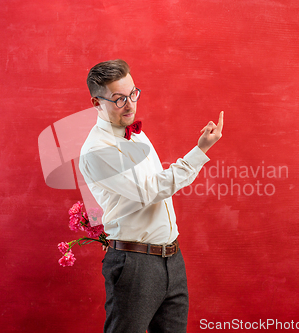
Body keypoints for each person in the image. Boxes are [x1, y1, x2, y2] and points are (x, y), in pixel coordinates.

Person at [79, 59, 223, 333]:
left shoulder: (137, 135)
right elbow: (150, 190)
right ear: (96, 103)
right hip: (135, 264)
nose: (131, 105)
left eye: (133, 93)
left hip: (172, 258)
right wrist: (199, 151)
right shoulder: (97, 150)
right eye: (119, 99)